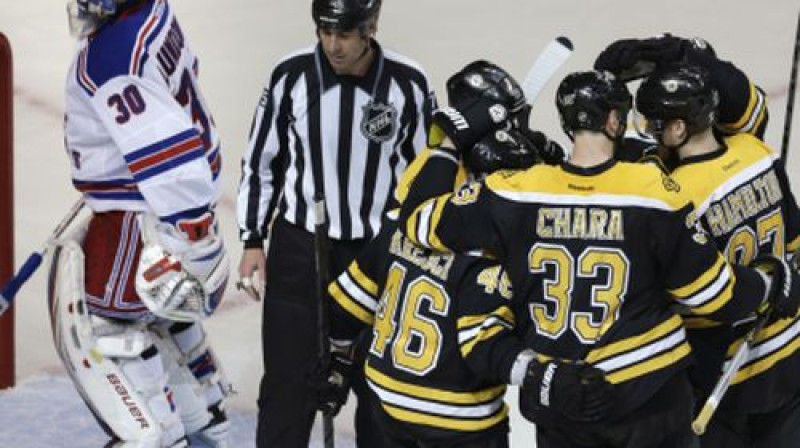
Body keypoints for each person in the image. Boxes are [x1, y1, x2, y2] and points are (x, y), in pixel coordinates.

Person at [396, 69, 800, 448]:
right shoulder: (654, 191)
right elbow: (714, 295)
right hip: (650, 394)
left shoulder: (514, 191)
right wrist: (767, 280)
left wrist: (447, 142)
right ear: (613, 121)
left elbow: (416, 221)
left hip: (560, 399)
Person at [235, 0, 435, 445]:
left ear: (371, 27)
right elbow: (261, 160)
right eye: (325, 32)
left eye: (343, 34)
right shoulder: (290, 76)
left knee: (380, 389)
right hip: (300, 251)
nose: (332, 45)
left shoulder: (409, 84)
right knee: (288, 386)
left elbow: (426, 177)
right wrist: (251, 238)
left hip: (376, 255)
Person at [326, 61, 542, 448]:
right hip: (457, 406)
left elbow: (360, 288)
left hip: (390, 393)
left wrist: (338, 353)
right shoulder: (495, 202)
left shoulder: (430, 168)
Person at [56, 0, 232, 446]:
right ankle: (204, 419)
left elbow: (168, 153)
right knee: (166, 320)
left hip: (146, 220)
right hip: (163, 209)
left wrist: (194, 238)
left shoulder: (112, 57)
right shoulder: (152, 12)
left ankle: (157, 435)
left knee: (105, 330)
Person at [636, 63, 800, 448]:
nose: (649, 132)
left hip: (725, 375)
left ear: (678, 129)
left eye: (655, 123)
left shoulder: (676, 195)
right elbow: (794, 243)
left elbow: (683, 291)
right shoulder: (756, 150)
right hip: (790, 356)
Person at [594, 33, 770, 169]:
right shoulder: (642, 143)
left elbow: (736, 92)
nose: (649, 127)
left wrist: (682, 52)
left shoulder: (737, 142)